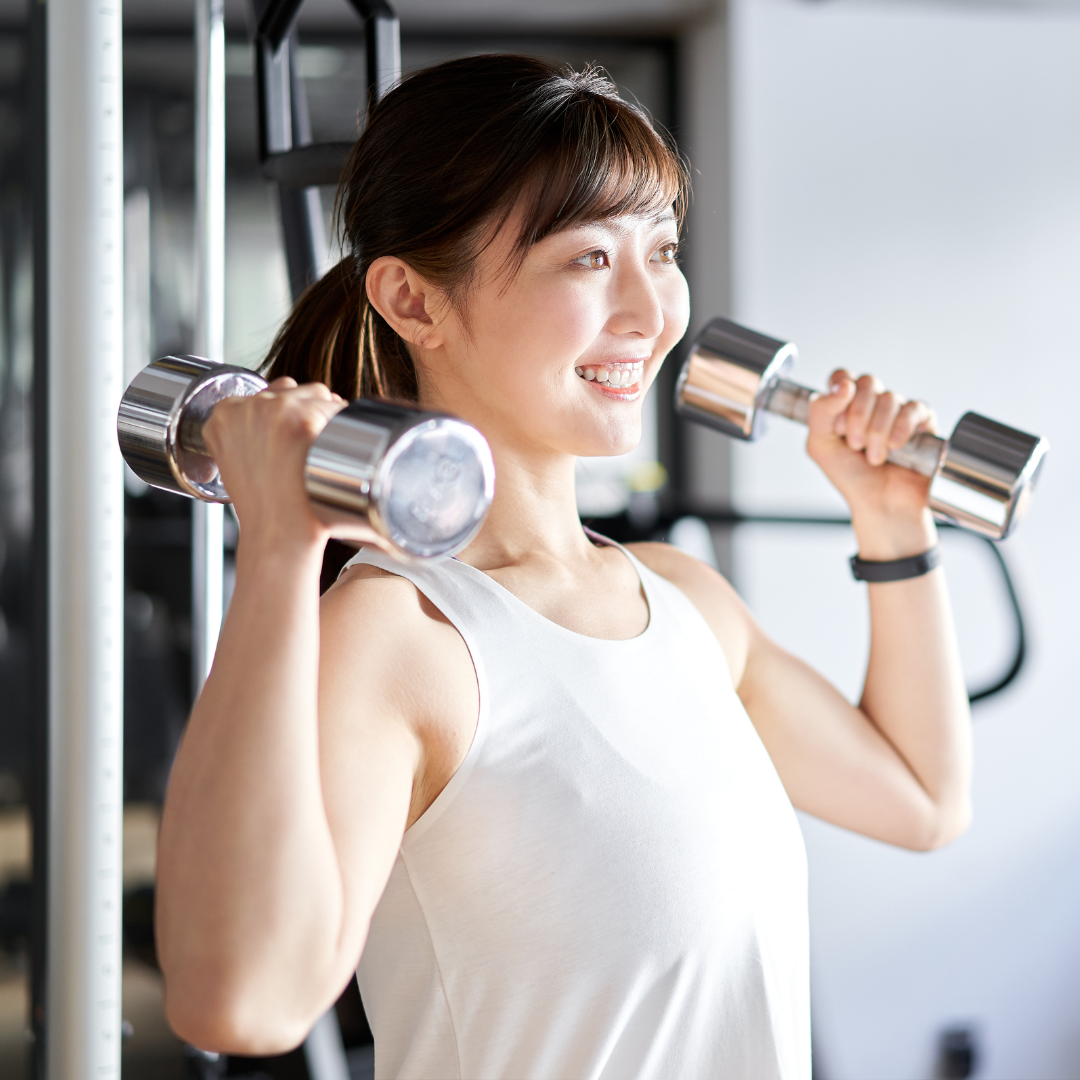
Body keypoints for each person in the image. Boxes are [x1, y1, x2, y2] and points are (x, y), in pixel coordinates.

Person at [155, 55, 971, 1080]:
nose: (651, 310)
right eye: (589, 259)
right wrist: (280, 546)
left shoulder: (682, 600)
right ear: (414, 300)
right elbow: (241, 1000)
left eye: (662, 250)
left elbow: (922, 800)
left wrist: (892, 525)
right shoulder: (407, 640)